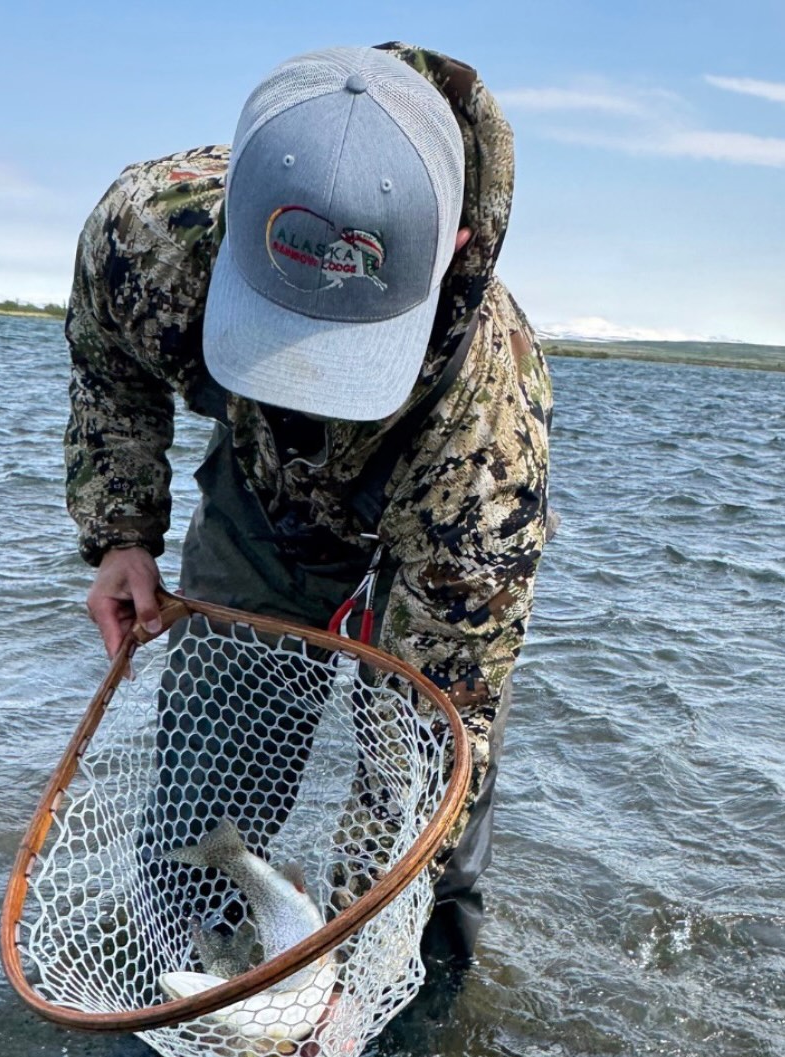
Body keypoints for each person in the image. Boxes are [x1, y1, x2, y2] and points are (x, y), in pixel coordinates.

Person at [65, 42, 553, 972]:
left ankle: (399, 1025)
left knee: (426, 826)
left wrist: (350, 933)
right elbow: (108, 361)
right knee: (204, 800)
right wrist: (121, 534)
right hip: (264, 497)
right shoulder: (148, 235)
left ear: (449, 250)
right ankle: (178, 1001)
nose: (309, 378)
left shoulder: (488, 434)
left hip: (432, 532)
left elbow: (437, 721)